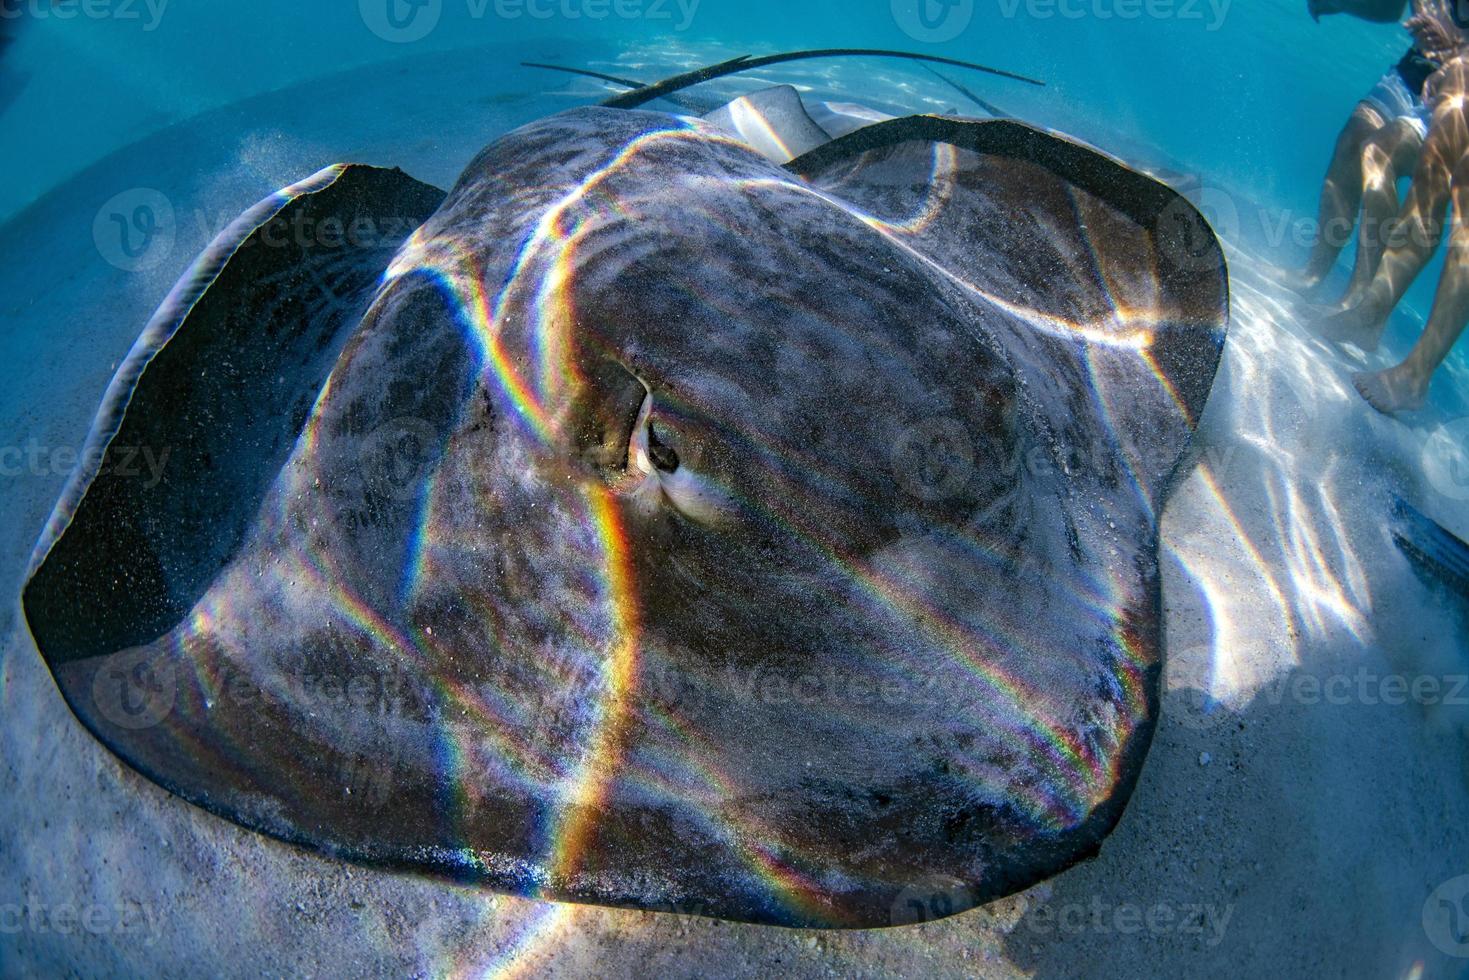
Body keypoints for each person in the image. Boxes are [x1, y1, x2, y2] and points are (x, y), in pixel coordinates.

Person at [1316, 1, 1469, 412]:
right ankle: (1370, 311)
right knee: (1381, 154)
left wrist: (1458, 53)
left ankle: (1414, 377)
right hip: (1452, 83)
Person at [1279, 0, 1435, 297]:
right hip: (1414, 73)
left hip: (1459, 93)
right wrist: (1340, 3)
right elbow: (1391, 9)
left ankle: (1360, 297)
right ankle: (1313, 273)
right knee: (1352, 142)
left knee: (1382, 154)